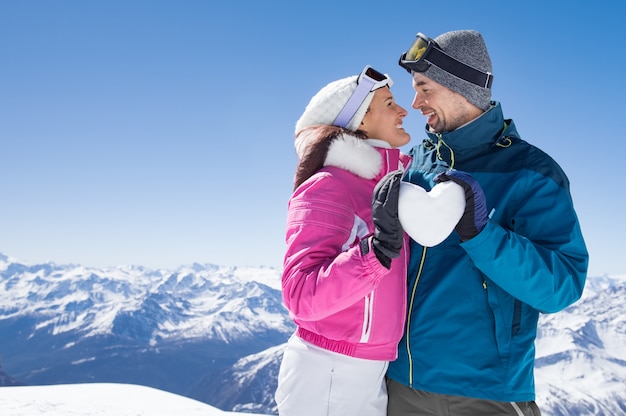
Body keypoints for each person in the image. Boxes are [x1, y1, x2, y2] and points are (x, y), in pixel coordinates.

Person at [386, 30, 589, 416]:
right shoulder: (416, 163)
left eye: (424, 88)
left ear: (460, 86)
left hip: (485, 392)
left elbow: (561, 286)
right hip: (401, 383)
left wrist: (481, 234)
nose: (415, 103)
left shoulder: (531, 173)